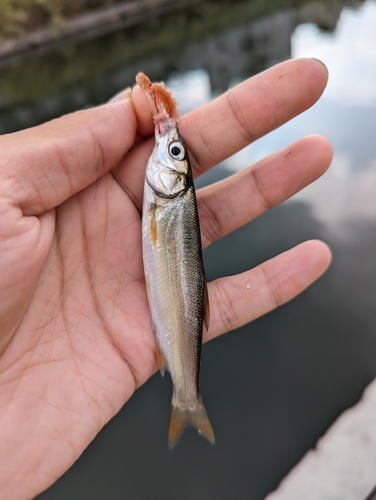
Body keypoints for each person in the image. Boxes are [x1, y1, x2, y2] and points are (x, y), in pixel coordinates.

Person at [0, 58, 332, 499]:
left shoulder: (166, 197)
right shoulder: (166, 195)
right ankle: (186, 396)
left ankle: (186, 395)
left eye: (175, 153)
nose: (170, 149)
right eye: (177, 154)